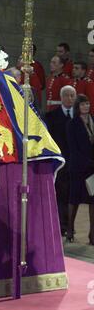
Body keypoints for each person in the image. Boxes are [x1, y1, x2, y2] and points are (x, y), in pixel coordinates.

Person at [45, 85, 76, 235]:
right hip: (61, 162)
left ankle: (71, 227)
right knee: (62, 196)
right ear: (62, 97)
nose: (70, 98)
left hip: (77, 164)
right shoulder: (51, 117)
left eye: (72, 96)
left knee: (75, 197)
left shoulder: (81, 115)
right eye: (67, 95)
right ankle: (62, 226)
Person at [67, 95, 94, 244]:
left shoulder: (93, 120)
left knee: (92, 200)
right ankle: (70, 230)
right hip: (78, 167)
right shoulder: (72, 124)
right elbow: (73, 149)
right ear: (78, 107)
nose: (86, 107)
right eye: (83, 104)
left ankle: (92, 235)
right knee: (74, 199)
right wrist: (87, 162)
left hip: (92, 168)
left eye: (88, 104)